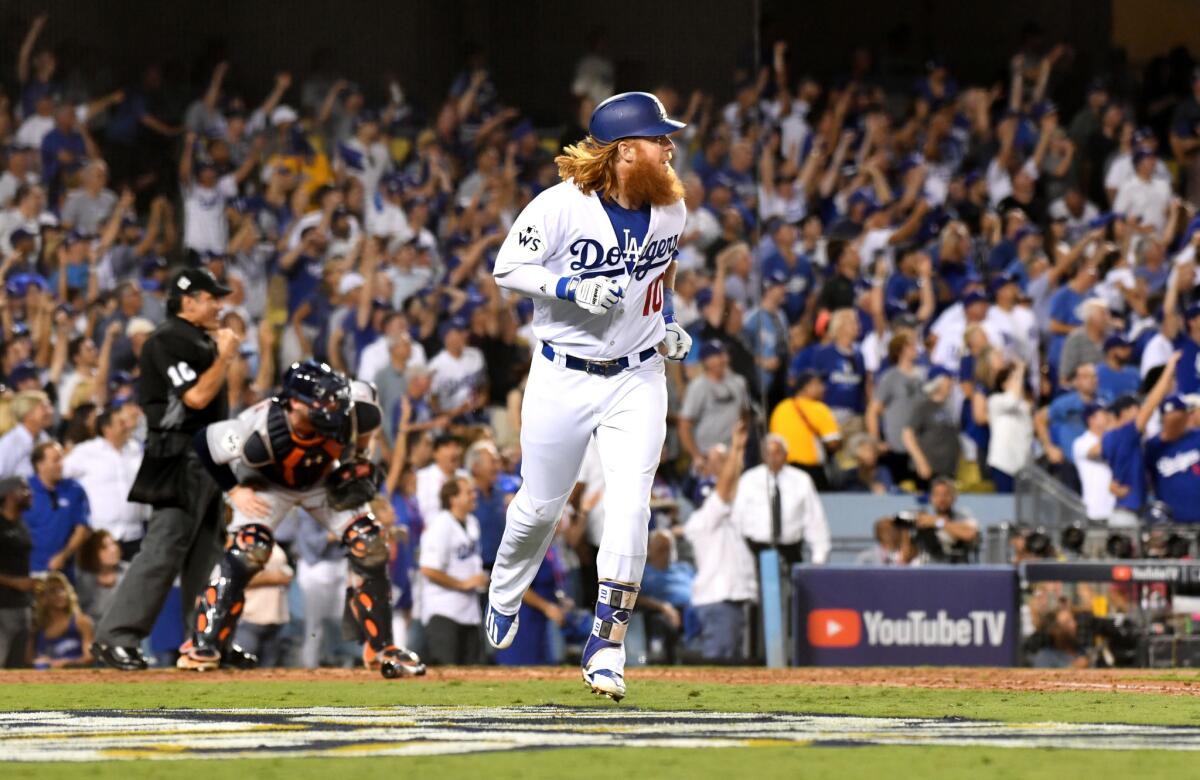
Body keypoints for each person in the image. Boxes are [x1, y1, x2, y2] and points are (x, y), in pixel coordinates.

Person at [483, 92, 690, 702]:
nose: (669, 147)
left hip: (637, 376)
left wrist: (668, 319)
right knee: (540, 509)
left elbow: (664, 272)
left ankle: (607, 642)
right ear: (626, 150)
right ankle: (504, 587)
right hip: (561, 374)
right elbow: (506, 269)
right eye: (658, 138)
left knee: (631, 505)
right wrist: (570, 286)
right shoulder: (560, 206)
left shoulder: (672, 209)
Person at [183, 360, 424, 677]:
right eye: (323, 401)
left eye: (335, 398)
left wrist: (359, 459)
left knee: (371, 541)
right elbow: (204, 442)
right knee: (249, 549)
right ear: (295, 402)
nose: (334, 407)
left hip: (322, 481)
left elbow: (367, 423)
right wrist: (235, 489)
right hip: (266, 484)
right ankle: (205, 644)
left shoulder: (356, 404)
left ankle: (381, 648)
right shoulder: (256, 428)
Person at [92, 268, 240, 672]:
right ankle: (115, 637)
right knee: (163, 549)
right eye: (212, 297)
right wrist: (225, 355)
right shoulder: (168, 339)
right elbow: (193, 398)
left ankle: (206, 641)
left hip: (205, 455)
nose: (219, 303)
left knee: (207, 554)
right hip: (178, 455)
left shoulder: (196, 339)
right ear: (188, 301)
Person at [684, 421, 756, 660]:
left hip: (726, 600)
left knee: (729, 666)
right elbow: (725, 489)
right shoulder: (702, 519)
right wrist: (735, 449)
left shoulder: (724, 517)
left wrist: (738, 452)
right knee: (718, 665)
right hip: (718, 601)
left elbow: (729, 486)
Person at [732, 433, 831, 567]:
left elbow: (814, 519)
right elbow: (737, 518)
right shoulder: (749, 479)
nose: (772, 457)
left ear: (785, 454)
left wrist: (819, 556)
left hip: (790, 549)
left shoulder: (801, 480)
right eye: (768, 453)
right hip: (756, 549)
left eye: (777, 452)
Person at [62, 407, 148, 560]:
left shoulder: (137, 450)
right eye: (121, 423)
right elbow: (60, 476)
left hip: (134, 533)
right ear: (106, 428)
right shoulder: (85, 451)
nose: (127, 426)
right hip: (99, 535)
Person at [419, 476, 486, 665]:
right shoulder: (440, 524)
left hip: (470, 611)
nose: (474, 496)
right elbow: (428, 569)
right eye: (468, 493)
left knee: (472, 673)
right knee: (447, 672)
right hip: (444, 611)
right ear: (453, 499)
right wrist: (462, 583)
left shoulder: (472, 522)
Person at [24, 442, 91, 580]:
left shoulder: (74, 489)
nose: (61, 464)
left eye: (62, 459)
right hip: (27, 571)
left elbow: (82, 530)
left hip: (64, 571)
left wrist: (63, 555)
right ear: (40, 465)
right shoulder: (23, 491)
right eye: (56, 460)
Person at [678, 340, 749, 462]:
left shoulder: (738, 382)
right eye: (719, 355)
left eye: (724, 354)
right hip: (707, 454)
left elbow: (745, 414)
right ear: (707, 361)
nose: (724, 358)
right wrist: (696, 456)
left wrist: (742, 441)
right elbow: (684, 426)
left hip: (733, 452)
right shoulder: (697, 387)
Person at [768, 369, 840, 489]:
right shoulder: (819, 408)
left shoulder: (781, 408)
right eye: (817, 384)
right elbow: (833, 443)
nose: (823, 388)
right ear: (805, 387)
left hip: (783, 468)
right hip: (812, 470)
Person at [232, 542, 294, 668]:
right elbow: (234, 578)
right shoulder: (242, 541)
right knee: (243, 667)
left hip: (276, 619)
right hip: (250, 618)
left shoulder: (274, 543)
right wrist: (273, 578)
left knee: (269, 672)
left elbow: (288, 574)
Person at [1144, 394, 1200, 524]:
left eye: (1178, 417)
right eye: (1169, 418)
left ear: (1186, 416)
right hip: (1169, 521)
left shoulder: (1197, 437)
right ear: (1163, 419)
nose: (1174, 422)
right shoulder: (1153, 446)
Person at [902, 366, 961, 488]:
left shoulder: (947, 407)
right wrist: (921, 462)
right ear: (937, 382)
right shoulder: (924, 407)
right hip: (929, 471)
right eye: (948, 379)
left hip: (946, 471)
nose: (951, 382)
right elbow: (907, 435)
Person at [0, 477, 35, 668]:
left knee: (18, 666)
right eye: (25, 489)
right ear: (11, 495)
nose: (31, 494)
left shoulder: (20, 524)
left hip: (21, 603)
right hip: (2, 606)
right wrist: (15, 582)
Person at [986, 361, 1034, 492]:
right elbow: (1011, 401)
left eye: (1020, 380)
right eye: (1014, 379)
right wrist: (1019, 370)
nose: (1019, 383)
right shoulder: (996, 400)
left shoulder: (1024, 406)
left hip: (1021, 465)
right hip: (1003, 463)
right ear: (1003, 383)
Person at [31, 571, 94, 669]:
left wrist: (65, 663)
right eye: (53, 591)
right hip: (44, 678)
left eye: (62, 589)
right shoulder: (38, 625)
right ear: (43, 598)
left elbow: (89, 657)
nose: (60, 594)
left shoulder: (81, 621)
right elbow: (28, 659)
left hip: (76, 677)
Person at [75, 530, 129, 625]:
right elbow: (79, 611)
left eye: (113, 544)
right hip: (94, 630)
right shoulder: (84, 579)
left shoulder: (129, 572)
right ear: (93, 553)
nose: (113, 549)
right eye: (105, 547)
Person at [0, 390, 54, 479]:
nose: (50, 411)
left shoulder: (43, 437)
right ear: (28, 414)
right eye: (44, 408)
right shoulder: (11, 442)